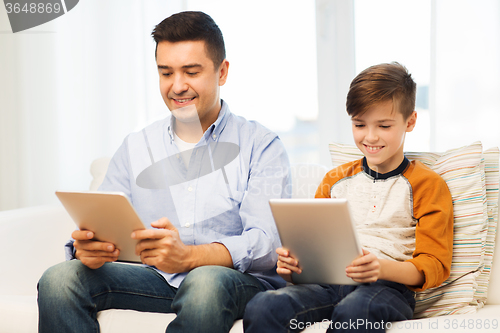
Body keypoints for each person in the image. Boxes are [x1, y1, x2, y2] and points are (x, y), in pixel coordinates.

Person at [38, 11, 290, 333]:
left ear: (222, 71)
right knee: (60, 279)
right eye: (166, 72)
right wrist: (91, 248)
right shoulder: (136, 146)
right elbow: (104, 222)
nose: (177, 86)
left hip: (232, 282)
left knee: (204, 282)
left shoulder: (261, 144)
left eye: (191, 71)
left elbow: (266, 243)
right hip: (155, 278)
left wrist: (189, 256)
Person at [243, 62, 454, 333]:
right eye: (359, 124)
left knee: (355, 311)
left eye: (384, 125)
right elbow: (310, 258)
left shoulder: (428, 184)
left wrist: (381, 268)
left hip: (385, 288)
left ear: (410, 121)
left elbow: (433, 265)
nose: (370, 136)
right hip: (326, 285)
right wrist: (290, 268)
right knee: (264, 305)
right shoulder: (334, 180)